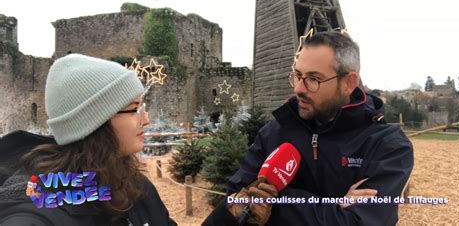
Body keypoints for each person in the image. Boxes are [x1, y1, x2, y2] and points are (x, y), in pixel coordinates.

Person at [203, 31, 414, 225]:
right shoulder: (275, 131)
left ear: (348, 83)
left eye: (314, 79)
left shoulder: (387, 146)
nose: (298, 88)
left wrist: (274, 206)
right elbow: (235, 203)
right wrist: (335, 206)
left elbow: (362, 222)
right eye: (297, 75)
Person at [0, 54, 176, 226]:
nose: (146, 120)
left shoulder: (134, 186)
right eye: (134, 109)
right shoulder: (35, 214)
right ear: (94, 123)